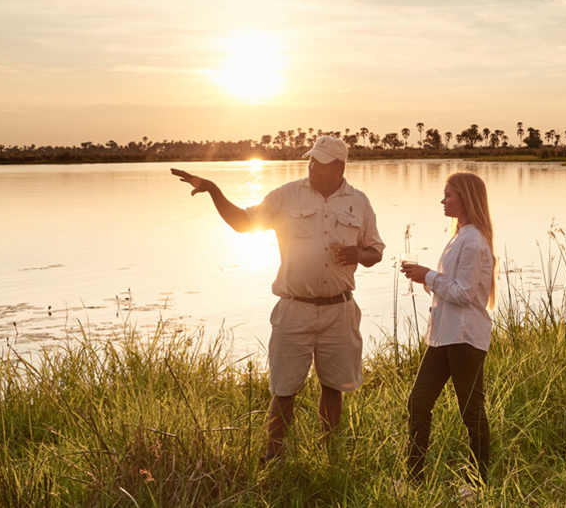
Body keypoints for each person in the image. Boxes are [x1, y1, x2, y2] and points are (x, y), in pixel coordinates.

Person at [170, 136, 385, 462]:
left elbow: (375, 251)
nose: (312, 166)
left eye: (320, 162)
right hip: (294, 309)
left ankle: (331, 458)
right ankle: (273, 458)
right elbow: (243, 224)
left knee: (333, 387)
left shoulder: (359, 202)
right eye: (311, 159)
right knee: (284, 388)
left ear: (339, 167)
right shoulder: (286, 196)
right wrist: (213, 190)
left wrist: (360, 254)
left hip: (339, 310)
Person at [399, 172, 496, 482]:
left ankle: (476, 483)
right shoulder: (459, 237)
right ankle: (414, 479)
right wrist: (426, 278)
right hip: (443, 337)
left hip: (464, 337)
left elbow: (464, 294)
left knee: (471, 411)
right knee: (418, 402)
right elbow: (452, 286)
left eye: (448, 195)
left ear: (465, 199)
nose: (442, 200)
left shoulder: (473, 241)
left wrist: (428, 275)